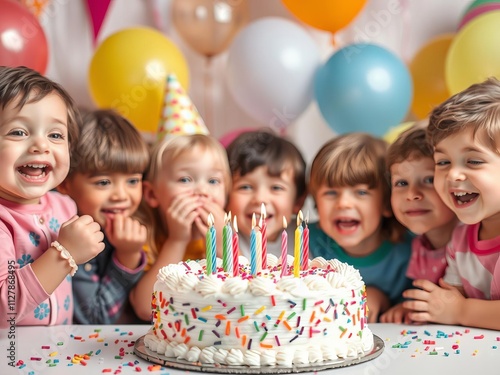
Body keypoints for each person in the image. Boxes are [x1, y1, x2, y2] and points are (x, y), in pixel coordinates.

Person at [0, 66, 104, 327]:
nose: (41, 145)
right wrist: (64, 253)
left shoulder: (64, 206)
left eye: (55, 135)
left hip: (56, 350)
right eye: (18, 132)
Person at [403, 78, 500, 330]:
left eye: (473, 161)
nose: (453, 175)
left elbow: (455, 307)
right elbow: (449, 299)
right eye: (443, 162)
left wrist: (460, 310)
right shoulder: (460, 238)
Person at [308, 132, 412, 323]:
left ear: (387, 203)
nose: (344, 203)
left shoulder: (412, 250)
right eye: (331, 192)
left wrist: (399, 305)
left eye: (361, 192)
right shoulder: (305, 244)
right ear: (316, 203)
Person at [57, 109, 149, 324]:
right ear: (64, 182)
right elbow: (93, 319)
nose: (121, 195)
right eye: (103, 182)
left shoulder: (139, 224)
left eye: (133, 181)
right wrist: (128, 256)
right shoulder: (71, 236)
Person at [129, 134, 231, 321]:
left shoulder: (228, 234)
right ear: (151, 194)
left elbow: (247, 296)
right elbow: (145, 308)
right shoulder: (144, 237)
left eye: (213, 181)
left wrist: (224, 243)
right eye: (185, 180)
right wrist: (177, 240)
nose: (202, 190)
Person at [380, 122, 459, 324]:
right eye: (402, 183)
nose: (412, 194)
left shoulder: (474, 241)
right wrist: (409, 307)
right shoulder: (419, 246)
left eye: (428, 180)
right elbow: (426, 299)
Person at [225, 130, 307, 259]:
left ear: (298, 201)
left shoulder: (312, 239)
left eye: (276, 187)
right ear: (226, 196)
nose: (260, 199)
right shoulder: (220, 235)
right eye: (245, 187)